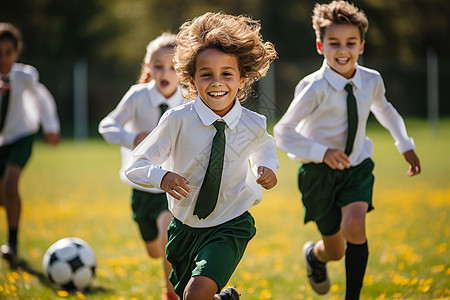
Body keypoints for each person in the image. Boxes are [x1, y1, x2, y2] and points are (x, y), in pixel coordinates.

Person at [125, 12, 279, 300]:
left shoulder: (253, 123)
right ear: (192, 80)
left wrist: (266, 166)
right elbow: (135, 165)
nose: (216, 82)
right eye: (206, 74)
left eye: (226, 74)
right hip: (183, 228)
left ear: (242, 78)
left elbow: (264, 146)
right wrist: (162, 176)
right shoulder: (177, 120)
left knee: (195, 295)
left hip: (230, 224)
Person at [273, 1, 421, 299]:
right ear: (320, 46)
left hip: (357, 167)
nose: (343, 50)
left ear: (361, 45)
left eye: (351, 43)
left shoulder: (371, 80)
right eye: (334, 43)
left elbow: (387, 111)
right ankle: (315, 256)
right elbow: (282, 133)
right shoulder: (312, 87)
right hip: (318, 174)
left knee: (355, 226)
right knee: (335, 250)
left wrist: (405, 145)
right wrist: (322, 152)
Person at [98, 32, 184, 300]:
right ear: (149, 67)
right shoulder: (137, 97)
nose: (165, 72)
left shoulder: (189, 99)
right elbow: (106, 125)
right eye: (158, 66)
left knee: (167, 234)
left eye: (173, 67)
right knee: (154, 249)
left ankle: (170, 293)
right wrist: (132, 138)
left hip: (171, 185)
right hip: (140, 186)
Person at [0, 22, 60, 262]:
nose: (3, 58)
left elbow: (42, 98)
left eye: (8, 53)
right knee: (4, 194)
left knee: (10, 184)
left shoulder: (25, 76)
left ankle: (12, 242)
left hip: (22, 136)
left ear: (16, 53)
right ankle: (12, 210)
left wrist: (51, 127)